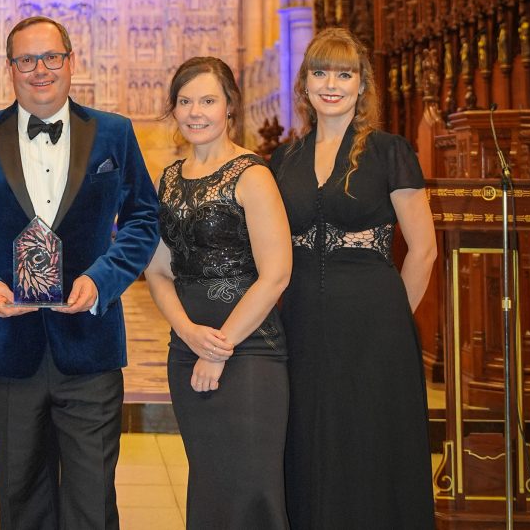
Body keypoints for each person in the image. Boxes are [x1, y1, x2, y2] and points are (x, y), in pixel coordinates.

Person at [0, 16, 160, 529]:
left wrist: (104, 277)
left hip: (91, 343)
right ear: (9, 68)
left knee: (92, 498)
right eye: (26, 60)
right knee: (20, 494)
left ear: (71, 61)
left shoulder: (115, 133)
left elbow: (144, 217)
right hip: (7, 342)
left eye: (50, 57)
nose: (40, 70)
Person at [270, 27, 437, 529]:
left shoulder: (390, 151)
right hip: (301, 319)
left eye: (345, 74)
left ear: (363, 85)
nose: (332, 84)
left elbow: (424, 250)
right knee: (309, 437)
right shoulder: (284, 159)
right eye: (320, 72)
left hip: (373, 322)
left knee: (369, 441)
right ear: (304, 85)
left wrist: (389, 320)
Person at [144, 57, 291, 529]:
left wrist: (219, 347)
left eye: (207, 100)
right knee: (209, 480)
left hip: (248, 350)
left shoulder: (253, 175)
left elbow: (276, 274)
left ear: (230, 106)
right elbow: (158, 271)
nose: (195, 112)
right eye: (185, 101)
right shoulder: (169, 179)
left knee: (251, 485)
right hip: (187, 348)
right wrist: (187, 333)